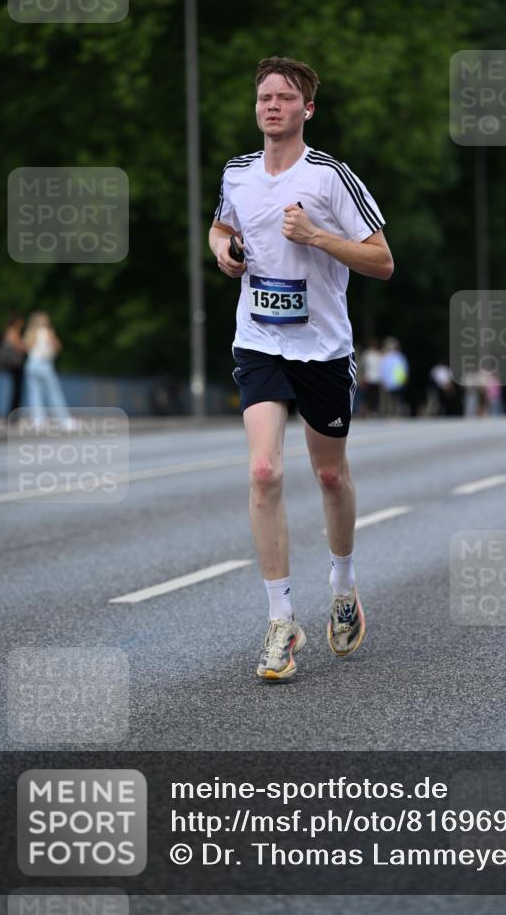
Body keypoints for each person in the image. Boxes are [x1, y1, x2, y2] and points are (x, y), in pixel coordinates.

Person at [209, 56, 393, 681]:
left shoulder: (332, 178)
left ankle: (343, 586)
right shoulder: (237, 173)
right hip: (258, 339)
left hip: (322, 348)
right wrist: (225, 253)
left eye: (286, 97)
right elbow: (220, 226)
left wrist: (316, 237)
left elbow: (382, 261)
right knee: (263, 471)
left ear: (306, 110)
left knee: (330, 476)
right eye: (265, 96)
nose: (272, 105)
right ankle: (281, 622)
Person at [23, 312, 75, 430]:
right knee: (54, 393)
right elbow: (57, 347)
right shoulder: (47, 332)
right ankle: (64, 420)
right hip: (44, 364)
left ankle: (38, 421)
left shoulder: (30, 333)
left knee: (34, 394)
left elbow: (26, 348)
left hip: (31, 365)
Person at [0, 313, 27, 419]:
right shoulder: (13, 332)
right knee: (17, 390)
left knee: (16, 389)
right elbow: (21, 347)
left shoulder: (8, 331)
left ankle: (13, 414)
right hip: (15, 365)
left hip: (12, 365)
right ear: (16, 322)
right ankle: (13, 414)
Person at [380, 337, 409, 416]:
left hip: (397, 381)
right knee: (390, 398)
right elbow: (384, 370)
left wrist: (405, 377)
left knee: (396, 398)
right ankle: (390, 412)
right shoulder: (387, 357)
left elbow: (404, 368)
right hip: (391, 381)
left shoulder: (399, 356)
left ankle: (395, 412)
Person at [360, 337, 382, 416]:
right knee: (368, 396)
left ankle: (374, 411)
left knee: (376, 396)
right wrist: (363, 377)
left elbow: (381, 366)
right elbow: (363, 366)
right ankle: (368, 411)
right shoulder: (367, 353)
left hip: (377, 378)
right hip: (369, 377)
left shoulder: (379, 354)